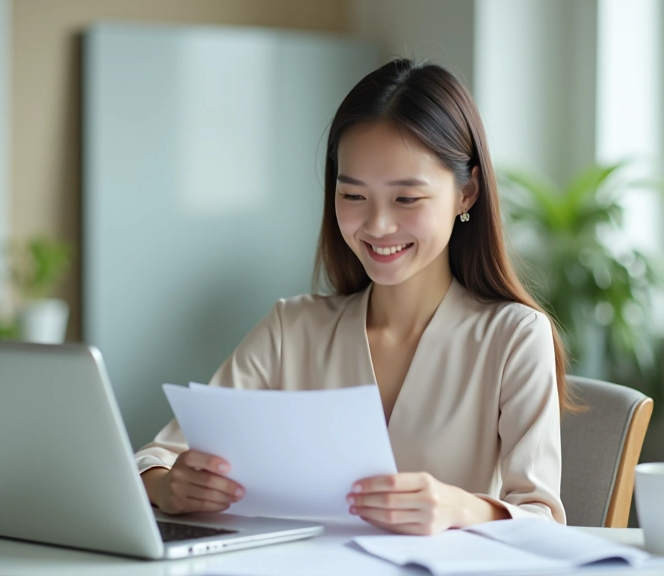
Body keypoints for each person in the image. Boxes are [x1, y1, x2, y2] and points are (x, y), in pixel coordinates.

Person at [136, 58, 574, 535]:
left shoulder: (513, 338)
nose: (378, 226)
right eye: (353, 196)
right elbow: (157, 457)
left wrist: (461, 509)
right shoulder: (292, 330)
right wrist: (166, 486)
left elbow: (541, 517)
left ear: (466, 192)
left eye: (407, 198)